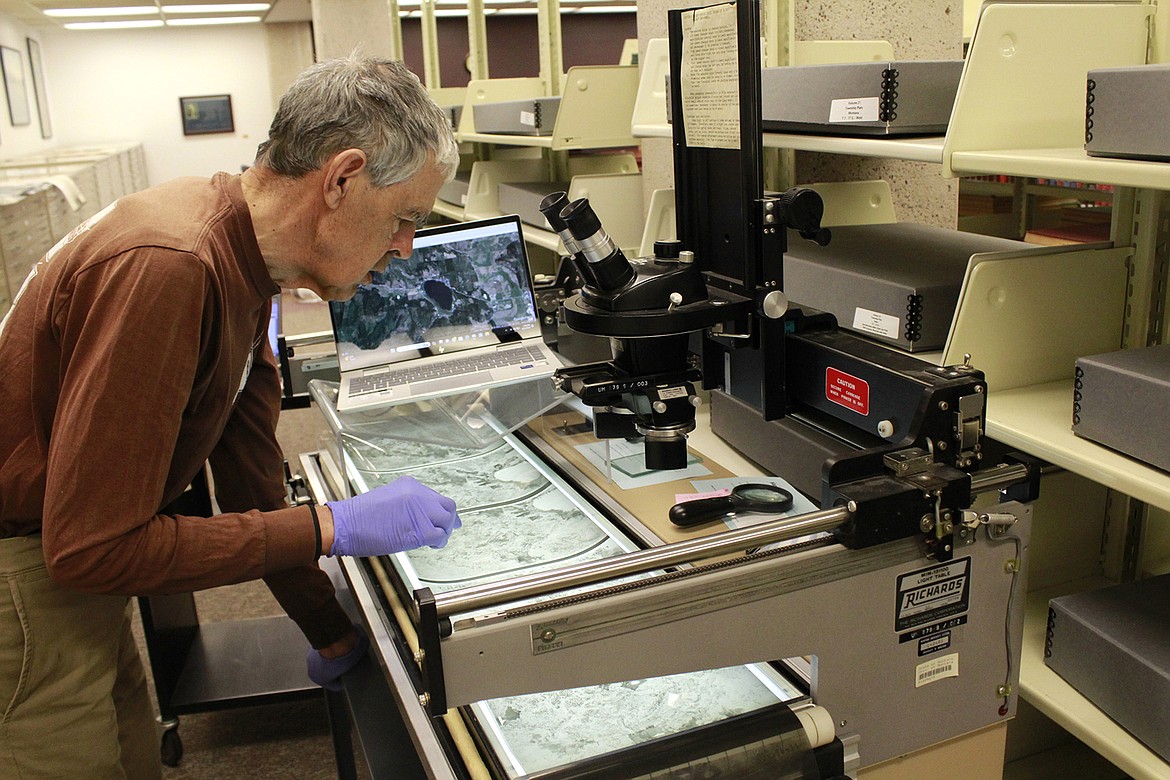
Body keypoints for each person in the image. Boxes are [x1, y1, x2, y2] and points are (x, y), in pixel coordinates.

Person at [0, 56, 463, 779]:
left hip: (71, 561)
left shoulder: (246, 260)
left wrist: (329, 625)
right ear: (340, 180)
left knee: (126, 751)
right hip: (24, 573)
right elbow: (88, 547)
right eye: (405, 218)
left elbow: (247, 477)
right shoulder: (172, 265)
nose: (405, 248)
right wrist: (333, 526)